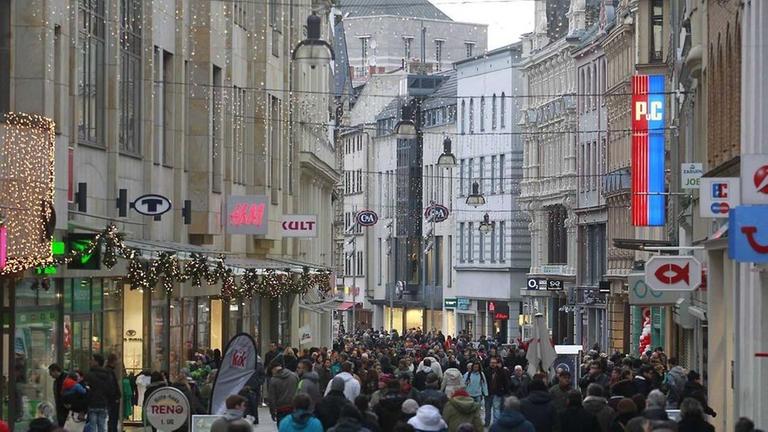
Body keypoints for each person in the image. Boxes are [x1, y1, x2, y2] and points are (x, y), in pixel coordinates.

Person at [83, 354, 120, 432]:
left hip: (92, 403)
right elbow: (111, 389)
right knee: (102, 425)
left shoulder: (90, 374)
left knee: (92, 425)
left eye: (92, 360)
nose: (90, 362)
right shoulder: (107, 374)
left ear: (97, 362)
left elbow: (86, 389)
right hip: (103, 403)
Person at [268, 359, 299, 425]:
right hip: (294, 407)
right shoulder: (294, 376)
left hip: (281, 409)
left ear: (273, 369)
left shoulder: (273, 380)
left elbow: (272, 398)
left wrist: (272, 412)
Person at [486, 357, 511, 426]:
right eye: (492, 363)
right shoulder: (487, 371)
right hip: (488, 393)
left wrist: (506, 391)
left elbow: (505, 382)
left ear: (497, 363)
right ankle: (487, 423)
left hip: (498, 393)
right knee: (487, 409)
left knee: (496, 409)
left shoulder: (501, 371)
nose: (493, 364)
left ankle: (496, 424)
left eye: (494, 363)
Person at [105, 354, 122, 432]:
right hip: (113, 400)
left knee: (112, 418)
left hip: (111, 399)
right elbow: (111, 386)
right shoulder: (110, 372)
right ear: (113, 361)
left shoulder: (109, 371)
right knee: (113, 418)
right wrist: (115, 397)